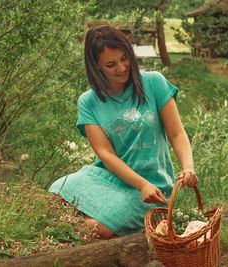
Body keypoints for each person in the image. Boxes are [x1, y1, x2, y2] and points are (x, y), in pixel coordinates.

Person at [49, 25, 198, 239]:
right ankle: (75, 224)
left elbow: (177, 134)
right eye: (111, 64)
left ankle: (79, 225)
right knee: (56, 192)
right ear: (96, 67)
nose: (121, 67)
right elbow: (106, 155)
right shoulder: (88, 102)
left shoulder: (154, 83)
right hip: (108, 177)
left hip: (152, 187)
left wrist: (188, 168)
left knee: (99, 229)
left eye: (124, 58)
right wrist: (140, 183)